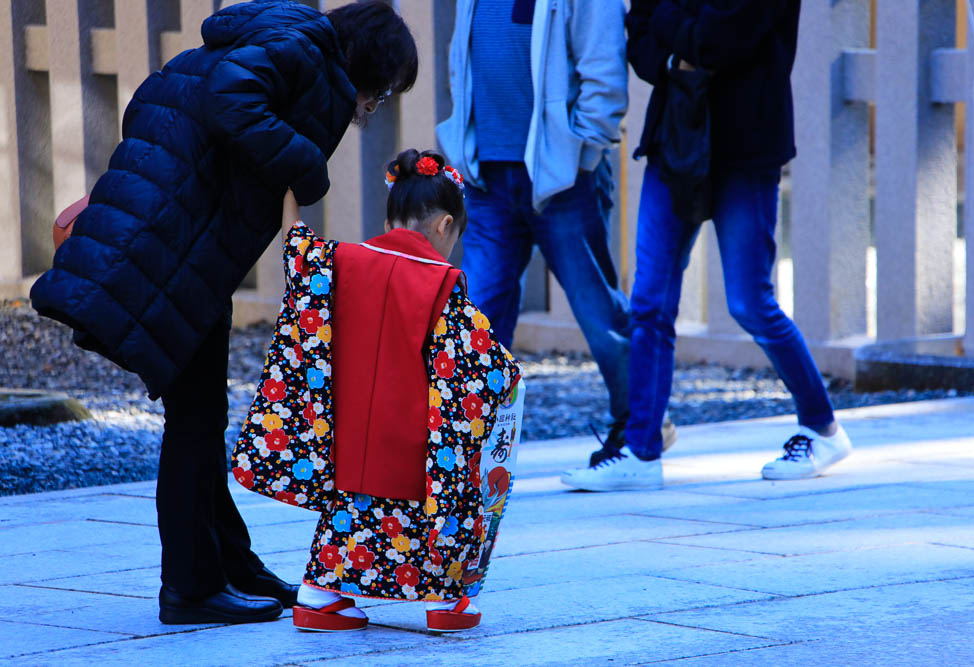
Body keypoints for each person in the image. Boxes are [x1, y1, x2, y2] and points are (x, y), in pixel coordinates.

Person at [30, 0, 418, 624]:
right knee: (196, 418)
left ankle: (229, 563)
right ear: (371, 66)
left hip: (183, 245)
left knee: (203, 411)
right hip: (173, 247)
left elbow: (166, 102)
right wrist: (304, 163)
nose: (373, 107)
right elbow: (227, 99)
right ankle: (190, 587)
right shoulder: (303, 54)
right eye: (383, 92)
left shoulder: (284, 44)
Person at [562, 0, 852, 491]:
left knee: (749, 301)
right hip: (675, 137)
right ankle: (641, 451)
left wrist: (676, 27)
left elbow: (727, 36)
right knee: (650, 301)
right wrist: (680, 55)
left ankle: (823, 428)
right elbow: (640, 35)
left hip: (747, 145)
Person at [233, 150, 523, 633]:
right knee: (445, 501)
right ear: (444, 225)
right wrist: (507, 376)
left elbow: (296, 246)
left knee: (348, 518)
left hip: (347, 446)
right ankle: (446, 601)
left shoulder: (338, 262)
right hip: (413, 451)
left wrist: (289, 192)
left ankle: (320, 595)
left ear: (390, 217)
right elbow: (480, 370)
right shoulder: (442, 282)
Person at [437, 0, 654, 455]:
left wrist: (584, 153)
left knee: (599, 312)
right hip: (487, 176)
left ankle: (639, 431)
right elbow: (462, 58)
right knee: (477, 312)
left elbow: (604, 70)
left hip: (564, 176)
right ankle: (470, 442)